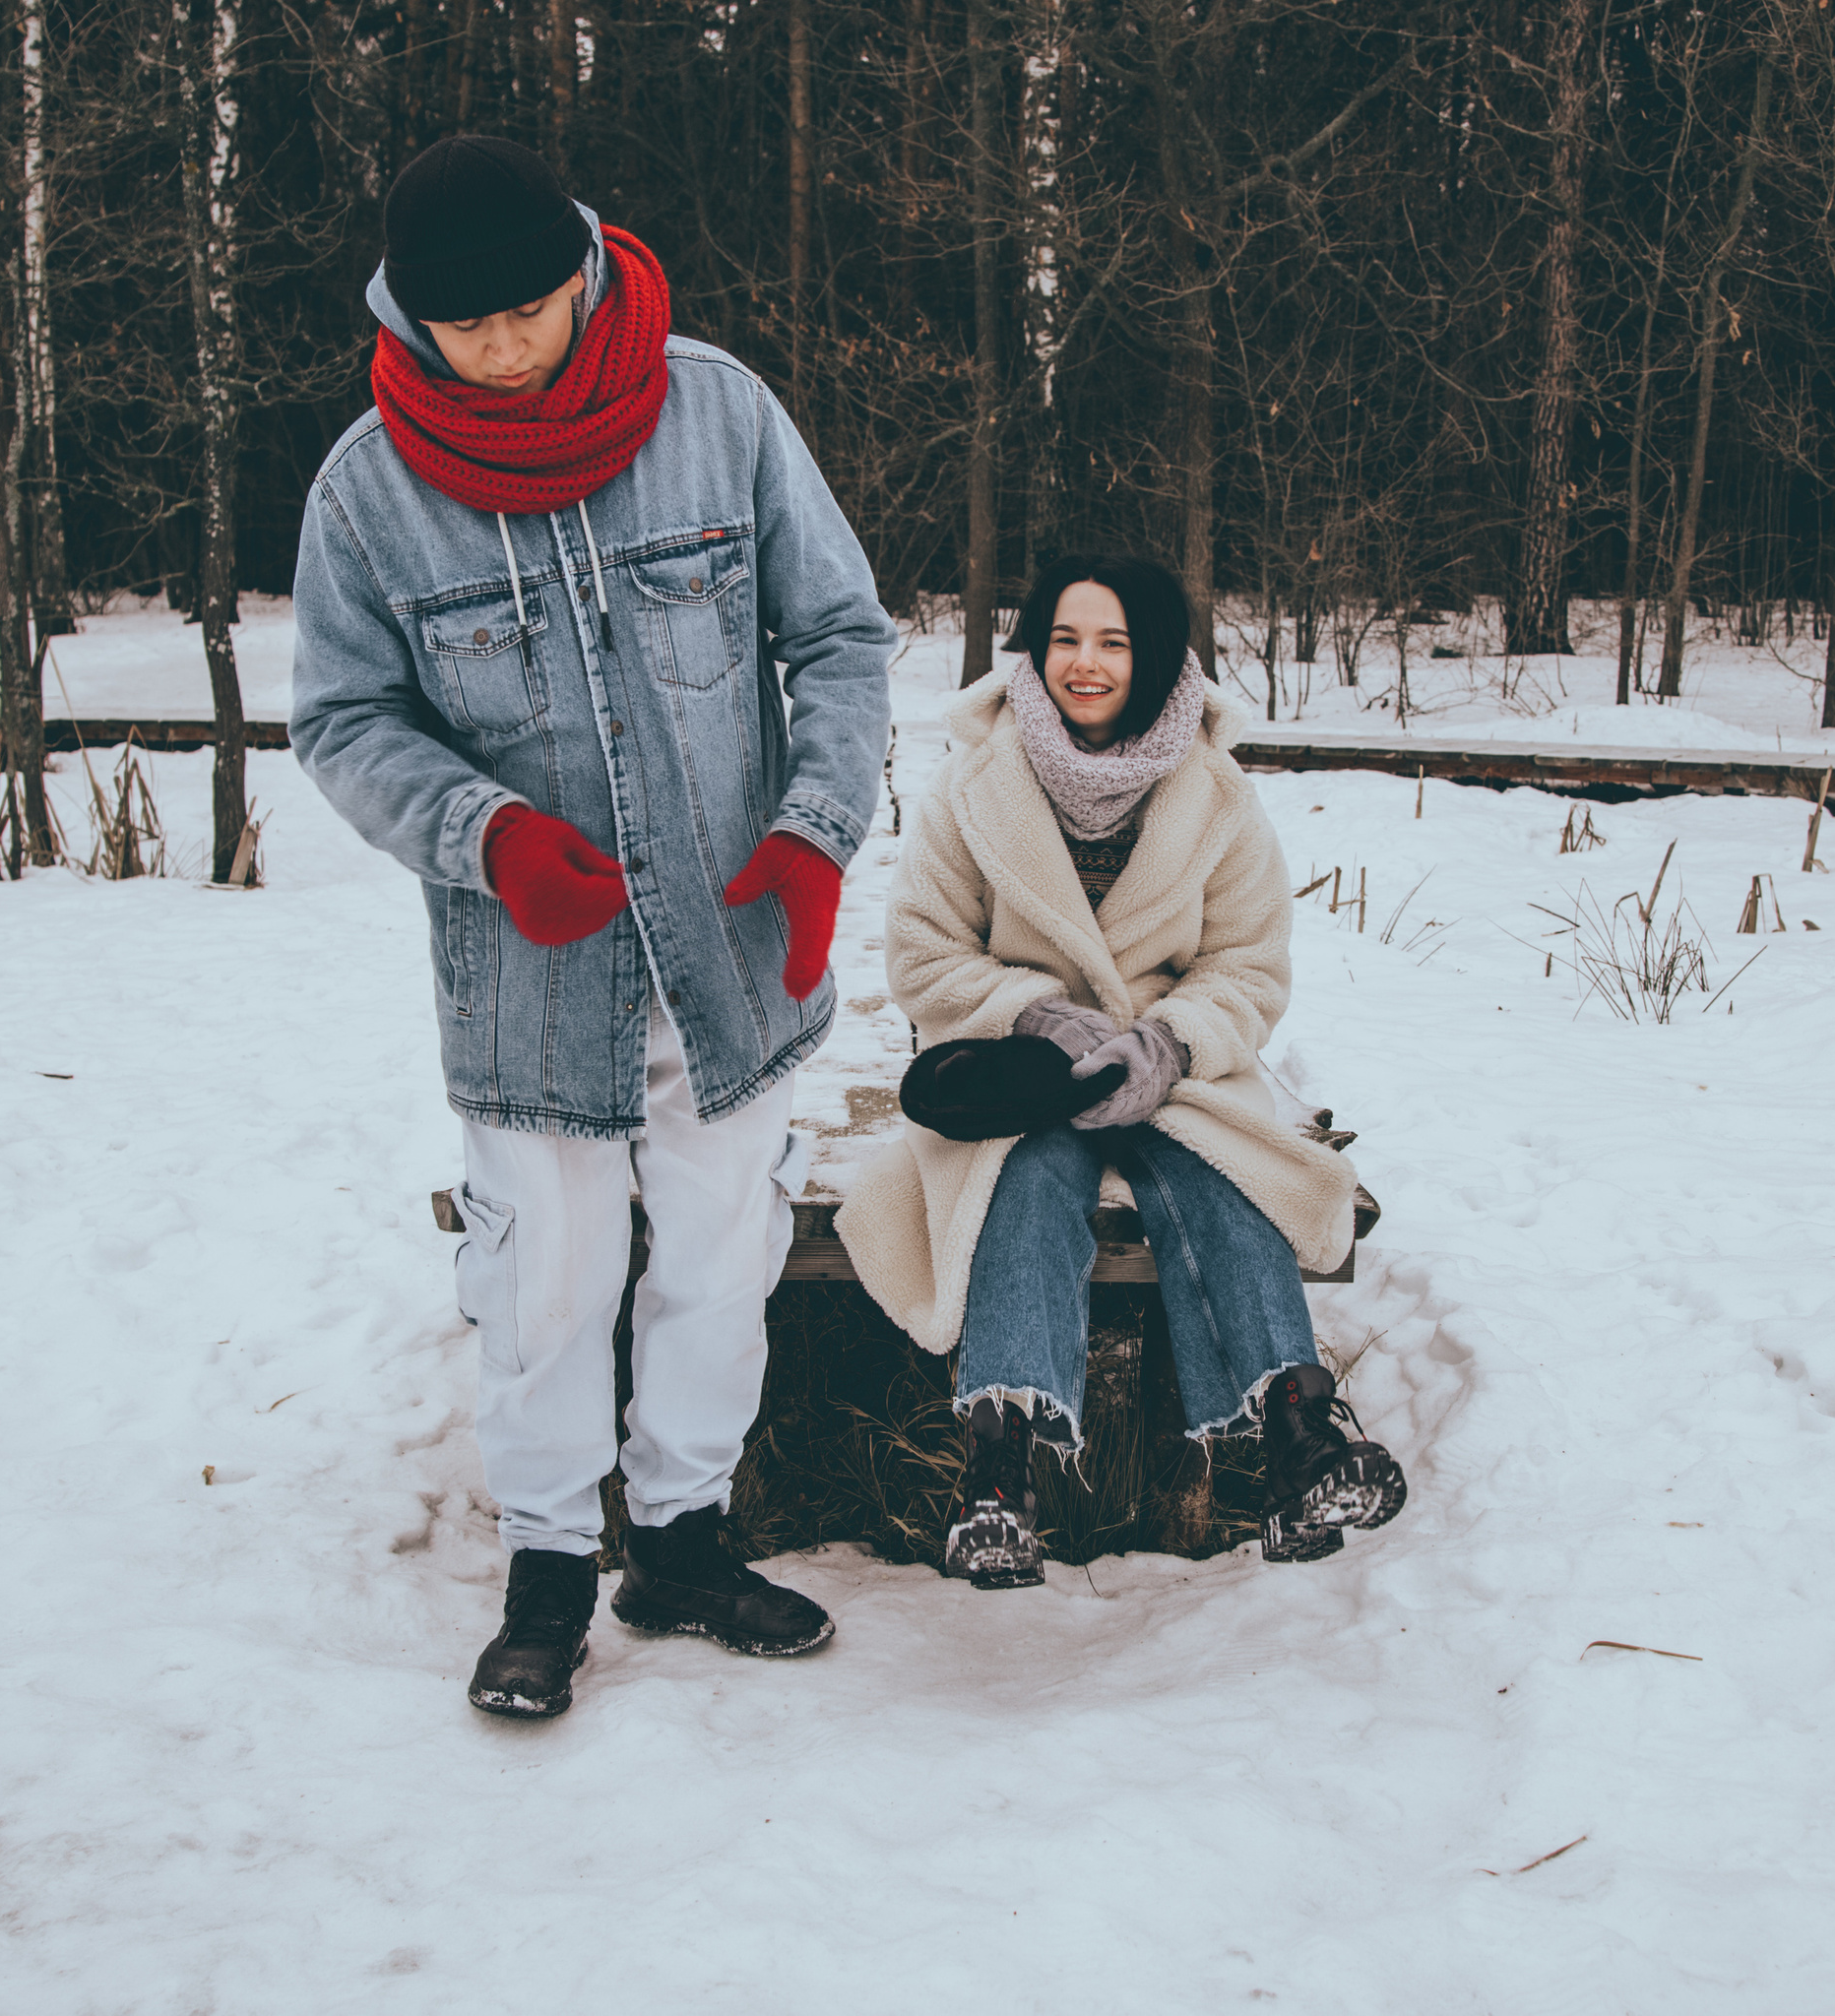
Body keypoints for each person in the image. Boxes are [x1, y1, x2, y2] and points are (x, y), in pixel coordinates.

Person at [290, 136, 895, 1717]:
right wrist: (479, 833)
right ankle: (550, 1568)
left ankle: (682, 1541)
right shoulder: (369, 488)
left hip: (735, 949)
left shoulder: (719, 414)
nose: (496, 353)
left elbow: (838, 633)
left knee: (720, 1254)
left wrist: (818, 831)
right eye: (460, 332)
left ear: (586, 273)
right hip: (530, 973)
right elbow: (344, 720)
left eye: (526, 317)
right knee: (546, 1278)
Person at [836, 554, 1403, 1588]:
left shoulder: (1214, 794)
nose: (1084, 664)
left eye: (1112, 641)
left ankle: (1300, 1440)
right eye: (1063, 638)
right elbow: (920, 953)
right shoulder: (975, 786)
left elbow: (1249, 964)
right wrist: (1031, 1015)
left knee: (1223, 1179)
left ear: (1155, 656)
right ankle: (996, 1474)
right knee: (1025, 1177)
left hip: (1167, 1065)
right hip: (1022, 1070)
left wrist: (1170, 1040)